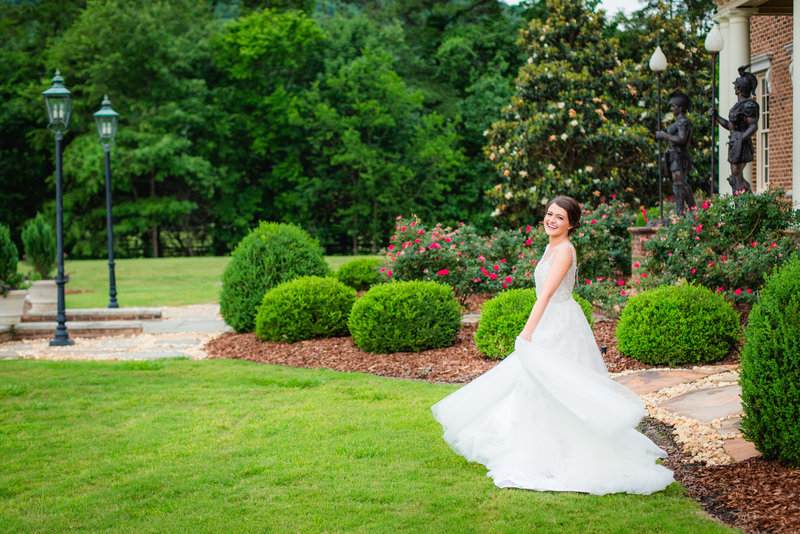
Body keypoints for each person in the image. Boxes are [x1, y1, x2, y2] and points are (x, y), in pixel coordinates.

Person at [431, 196, 674, 495]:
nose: (552, 220)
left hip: (559, 324)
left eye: (559, 217)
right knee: (534, 386)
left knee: (558, 387)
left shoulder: (564, 251)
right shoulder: (550, 246)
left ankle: (562, 454)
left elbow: (546, 294)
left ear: (571, 224)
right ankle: (538, 449)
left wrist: (527, 332)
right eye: (549, 214)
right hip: (550, 319)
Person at [711, 65, 759, 193]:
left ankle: (743, 204)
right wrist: (716, 117)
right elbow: (730, 126)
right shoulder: (738, 106)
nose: (734, 88)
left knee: (736, 174)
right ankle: (743, 204)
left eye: (736, 86)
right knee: (735, 176)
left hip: (741, 144)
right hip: (735, 143)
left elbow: (753, 126)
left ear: (740, 88)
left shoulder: (749, 105)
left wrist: (740, 139)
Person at [656, 90, 696, 215]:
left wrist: (664, 135)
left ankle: (692, 209)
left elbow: (681, 139)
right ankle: (680, 211)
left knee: (681, 183)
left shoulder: (683, 121)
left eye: (673, 106)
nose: (671, 108)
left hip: (680, 155)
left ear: (681, 107)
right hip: (674, 155)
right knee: (677, 184)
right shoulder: (678, 121)